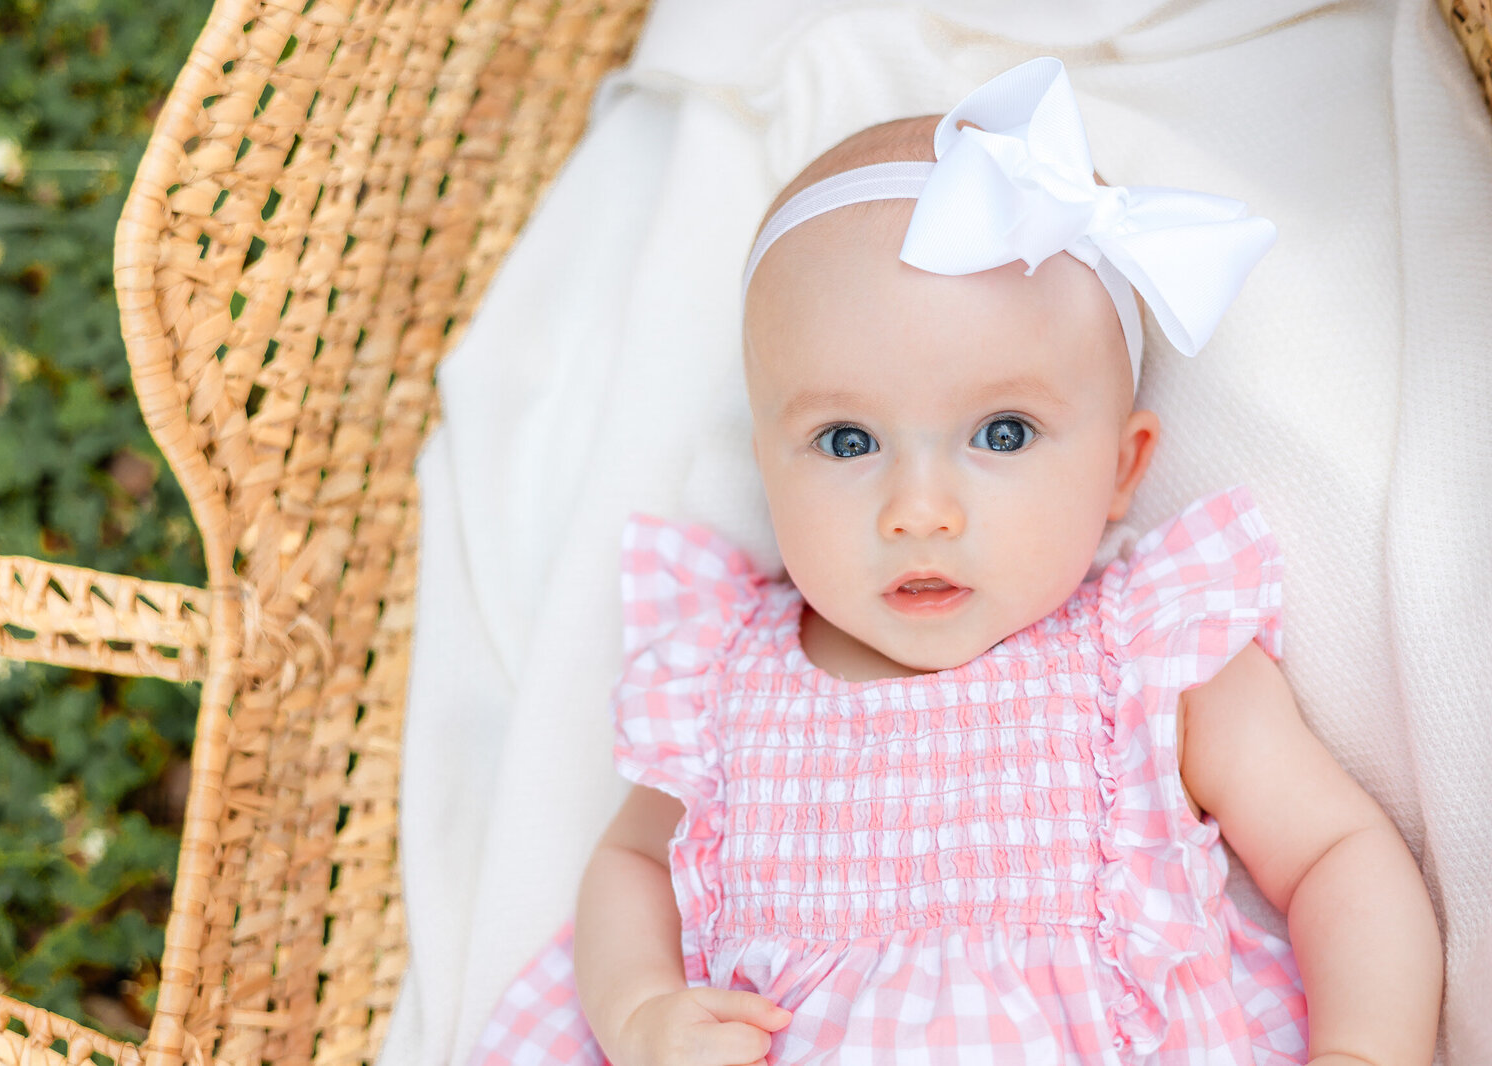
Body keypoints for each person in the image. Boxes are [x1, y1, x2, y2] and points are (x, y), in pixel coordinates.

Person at [467, 57, 1442, 1065]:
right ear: (768, 467)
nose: (918, 511)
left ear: (1121, 468)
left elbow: (1337, 855)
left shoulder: (1151, 660)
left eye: (1004, 433)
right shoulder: (722, 674)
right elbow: (630, 863)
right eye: (848, 442)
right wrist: (639, 1011)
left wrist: (1366, 1049)